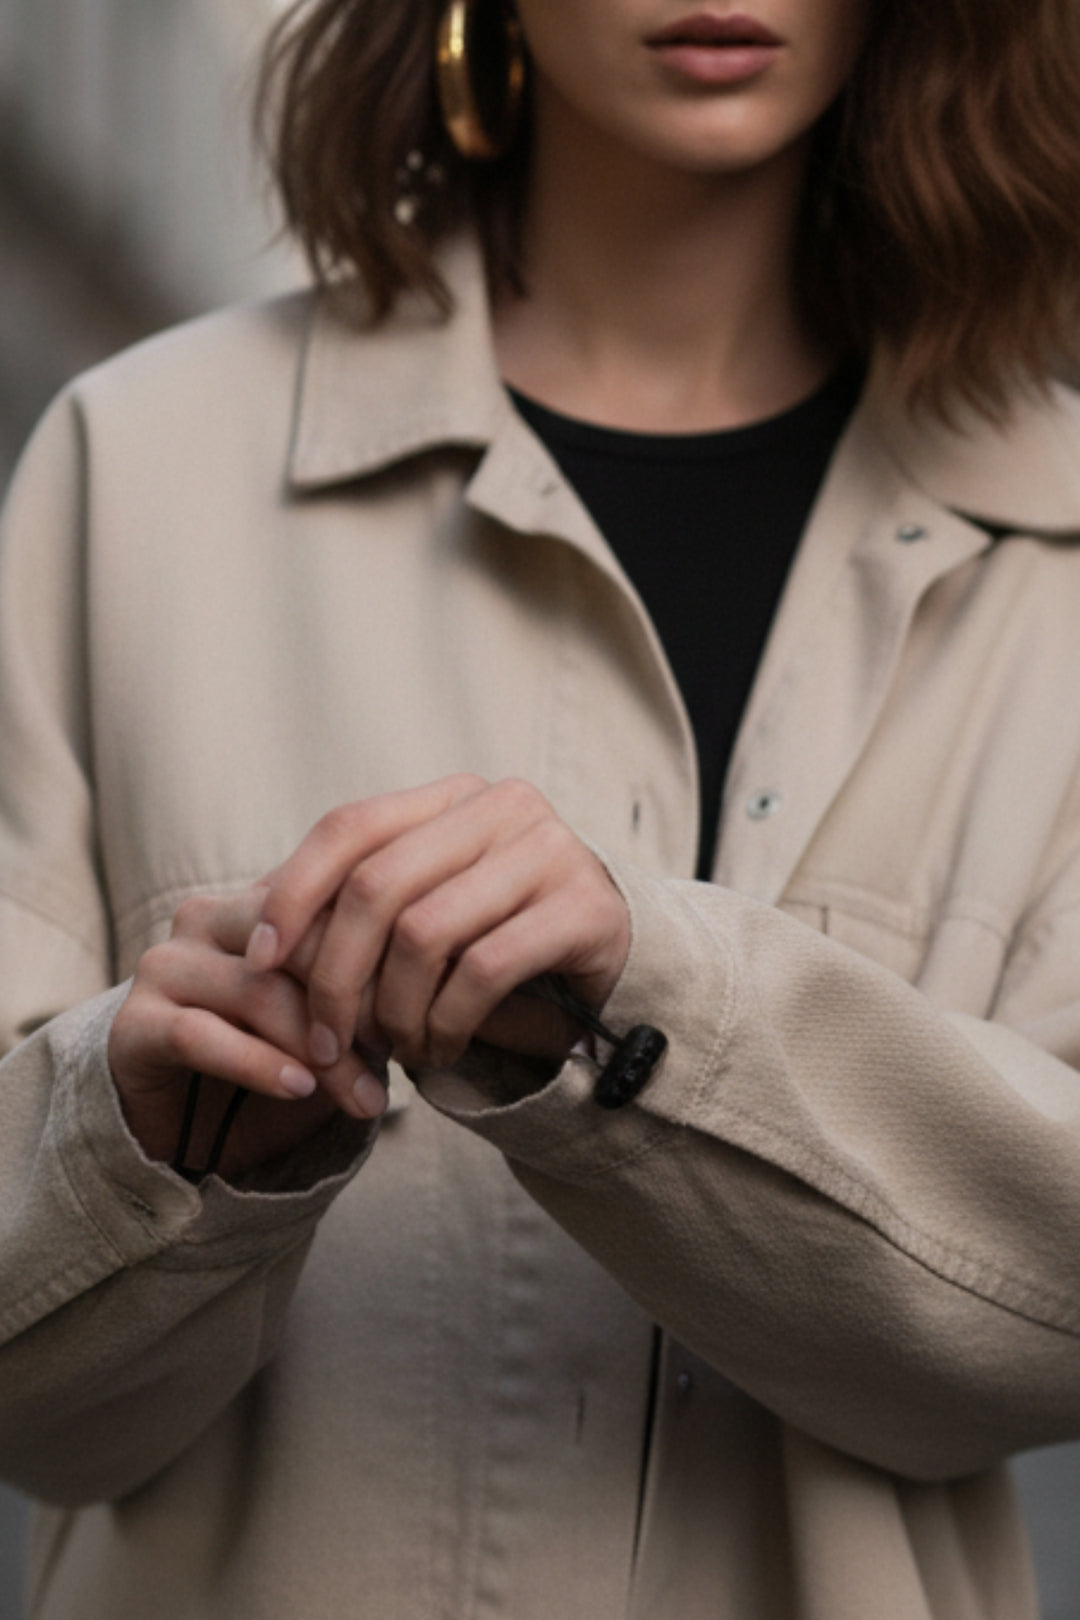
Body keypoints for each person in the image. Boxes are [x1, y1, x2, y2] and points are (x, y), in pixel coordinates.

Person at [2, 0, 1080, 1614]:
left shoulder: (1061, 548)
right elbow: (41, 1414)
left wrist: (655, 991)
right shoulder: (137, 466)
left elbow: (1039, 1333)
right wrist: (146, 1142)